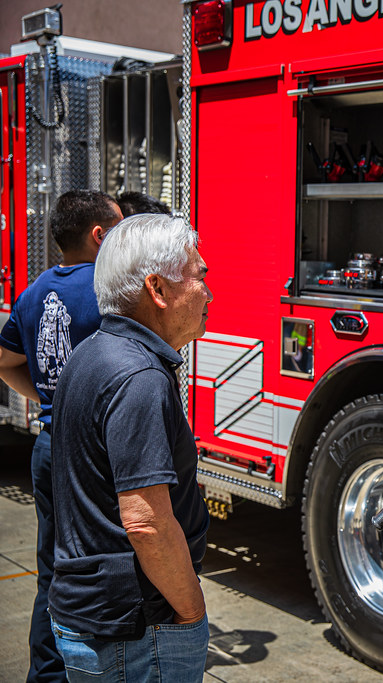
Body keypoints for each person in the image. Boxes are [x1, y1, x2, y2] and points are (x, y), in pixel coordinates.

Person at [48, 214, 213, 682]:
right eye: (199, 277)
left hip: (95, 615)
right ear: (157, 288)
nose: (208, 293)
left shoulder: (92, 352)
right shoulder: (139, 376)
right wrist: (191, 610)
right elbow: (145, 523)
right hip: (135, 632)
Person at [0, 189, 122, 683]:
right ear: (100, 235)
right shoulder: (111, 291)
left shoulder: (33, 293)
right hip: (97, 453)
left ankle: (47, 673)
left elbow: (5, 362)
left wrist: (53, 397)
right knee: (108, 571)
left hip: (50, 446)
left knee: (53, 571)